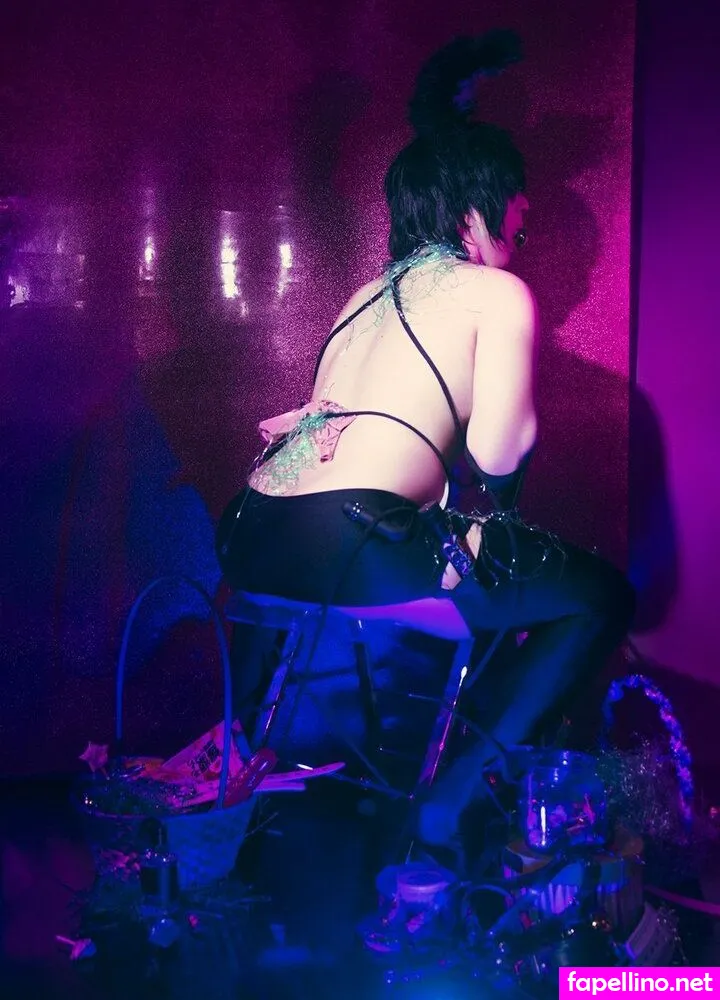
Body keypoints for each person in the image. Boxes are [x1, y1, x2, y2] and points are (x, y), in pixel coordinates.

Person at [216, 31, 635, 850]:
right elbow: (499, 458)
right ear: (477, 213)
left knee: (462, 570)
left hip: (248, 537)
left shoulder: (361, 298)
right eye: (518, 226)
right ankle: (450, 807)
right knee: (603, 596)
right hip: (356, 545)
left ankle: (266, 783)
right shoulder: (495, 292)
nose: (518, 245)